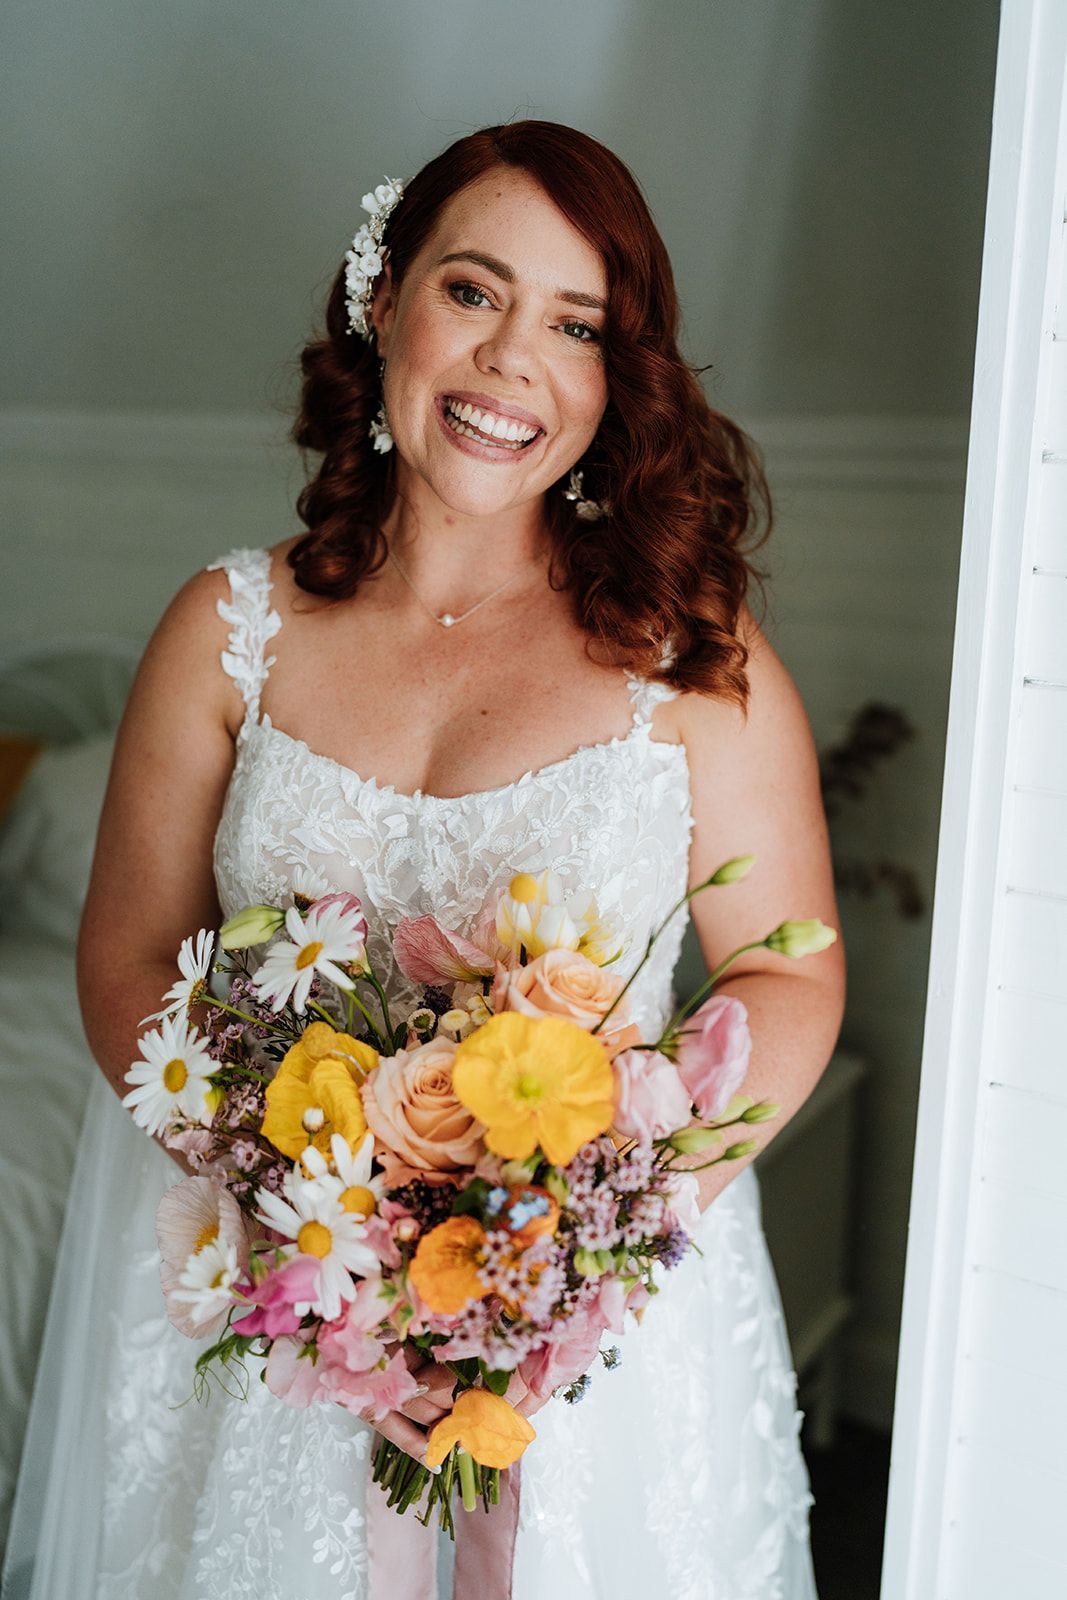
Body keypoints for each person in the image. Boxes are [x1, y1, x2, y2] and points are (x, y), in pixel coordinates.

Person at [4, 120, 844, 1599]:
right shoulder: (226, 632)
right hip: (268, 1292)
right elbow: (130, 955)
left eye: (575, 324)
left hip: (588, 1323)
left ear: (612, 378)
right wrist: (318, 1226)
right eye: (474, 292)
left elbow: (790, 965)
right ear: (382, 302)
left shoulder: (694, 658)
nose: (514, 360)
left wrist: (602, 1220)